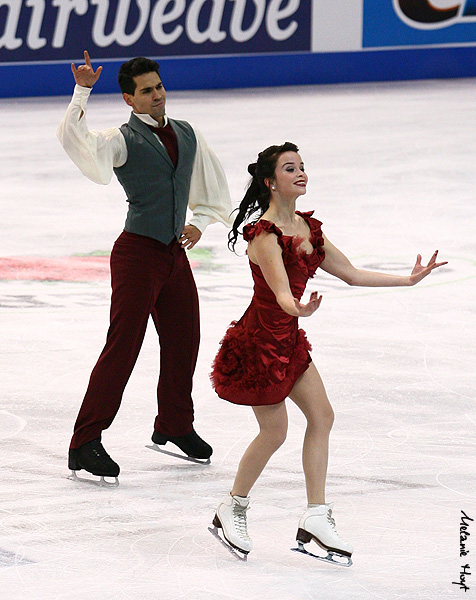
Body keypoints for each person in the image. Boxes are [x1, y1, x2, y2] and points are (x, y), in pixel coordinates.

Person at [209, 142, 446, 562]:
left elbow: (351, 273)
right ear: (270, 182)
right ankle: (231, 507)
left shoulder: (307, 229)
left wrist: (407, 281)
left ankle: (315, 517)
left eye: (301, 166)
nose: (301, 173)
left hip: (289, 340)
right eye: (289, 168)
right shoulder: (264, 236)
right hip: (261, 342)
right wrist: (298, 309)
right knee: (275, 432)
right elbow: (281, 293)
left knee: (323, 416)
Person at [57, 51, 232, 482]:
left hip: (173, 254)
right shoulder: (121, 139)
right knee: (124, 347)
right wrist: (82, 90)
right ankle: (85, 441)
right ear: (128, 100)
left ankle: (173, 424)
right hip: (137, 255)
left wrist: (201, 222)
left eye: (159, 86)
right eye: (146, 91)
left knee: (184, 338)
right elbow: (74, 139)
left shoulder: (187, 133)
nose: (156, 95)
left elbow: (209, 184)